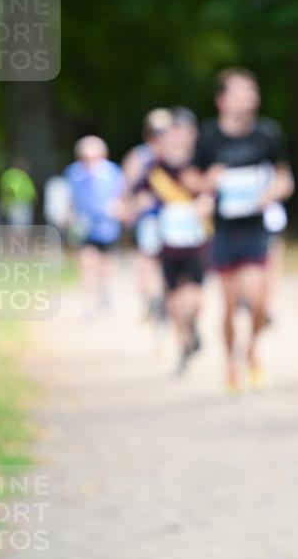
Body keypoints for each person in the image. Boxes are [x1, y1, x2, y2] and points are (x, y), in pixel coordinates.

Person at [188, 68, 293, 393]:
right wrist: (206, 185)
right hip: (223, 231)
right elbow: (191, 179)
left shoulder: (267, 134)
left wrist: (273, 192)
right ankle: (231, 364)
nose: (250, 97)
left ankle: (252, 350)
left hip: (255, 229)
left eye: (252, 91)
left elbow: (285, 178)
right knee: (231, 305)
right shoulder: (208, 137)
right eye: (241, 92)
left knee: (258, 300)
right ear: (222, 100)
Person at [136, 108, 212, 373]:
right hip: (168, 242)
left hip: (197, 241)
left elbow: (214, 190)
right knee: (173, 295)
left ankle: (191, 325)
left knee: (195, 297)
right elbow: (138, 194)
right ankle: (183, 342)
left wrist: (207, 202)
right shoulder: (155, 168)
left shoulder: (201, 163)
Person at [64, 135, 125, 315]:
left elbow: (122, 196)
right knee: (86, 263)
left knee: (106, 265)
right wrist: (68, 216)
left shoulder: (112, 172)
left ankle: (104, 292)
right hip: (84, 225)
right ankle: (89, 304)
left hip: (107, 227)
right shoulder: (73, 173)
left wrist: (119, 208)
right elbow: (69, 197)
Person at [123, 109, 173, 323]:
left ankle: (165, 300)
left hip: (173, 218)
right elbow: (128, 188)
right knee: (148, 260)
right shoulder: (139, 156)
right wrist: (132, 207)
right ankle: (152, 300)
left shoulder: (176, 154)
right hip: (149, 218)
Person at [0, 159, 36, 227]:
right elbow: (10, 189)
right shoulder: (13, 174)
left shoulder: (23, 175)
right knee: (17, 226)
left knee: (23, 226)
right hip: (17, 204)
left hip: (24, 204)